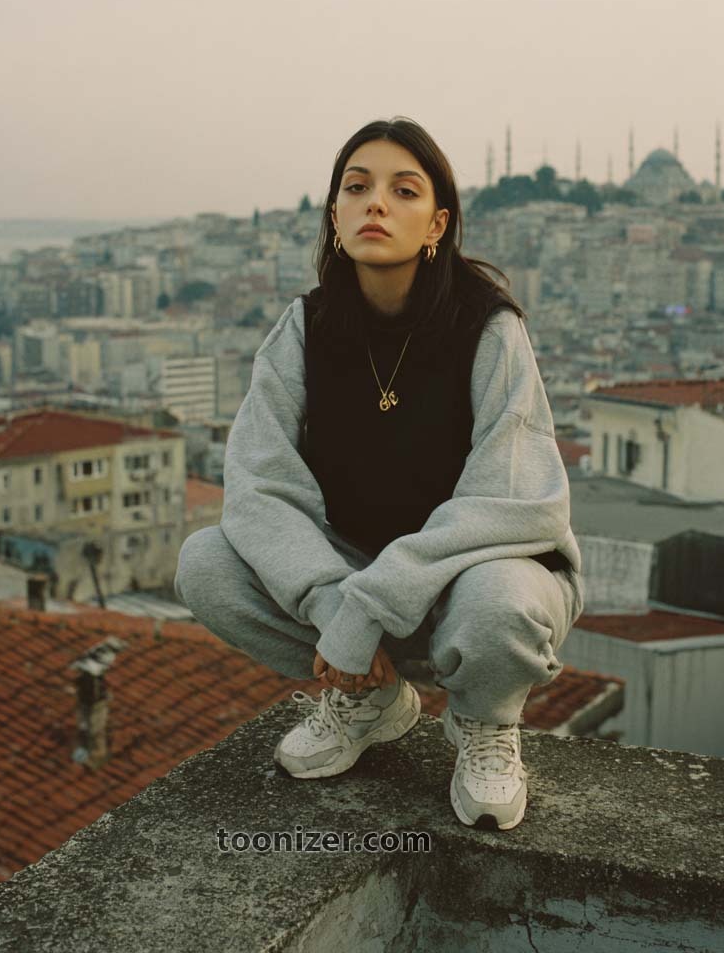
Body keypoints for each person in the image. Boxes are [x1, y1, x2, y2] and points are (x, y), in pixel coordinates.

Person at [175, 116, 585, 832]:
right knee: (205, 563)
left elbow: (514, 502)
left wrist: (368, 607)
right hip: (352, 577)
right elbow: (259, 485)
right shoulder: (304, 330)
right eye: (356, 188)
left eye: (403, 190)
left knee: (499, 603)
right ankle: (371, 696)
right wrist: (337, 606)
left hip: (479, 579)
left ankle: (485, 722)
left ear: (438, 223)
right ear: (334, 216)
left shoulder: (488, 328)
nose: (376, 205)